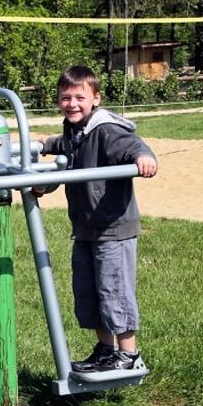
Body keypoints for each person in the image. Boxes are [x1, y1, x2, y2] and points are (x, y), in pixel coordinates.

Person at [39, 65, 157, 373]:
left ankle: (129, 356)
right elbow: (64, 146)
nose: (72, 104)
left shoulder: (106, 129)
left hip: (113, 229)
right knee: (90, 292)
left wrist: (143, 158)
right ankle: (106, 351)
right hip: (86, 228)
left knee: (113, 290)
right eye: (65, 98)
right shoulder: (73, 131)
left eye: (80, 97)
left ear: (96, 99)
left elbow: (133, 145)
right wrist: (44, 144)